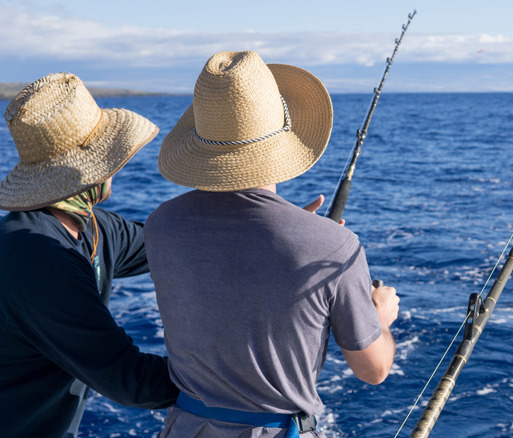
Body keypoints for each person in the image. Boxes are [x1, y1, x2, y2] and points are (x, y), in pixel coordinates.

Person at [143, 50, 400, 437]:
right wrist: (378, 320)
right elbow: (373, 370)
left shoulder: (161, 224)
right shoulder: (334, 245)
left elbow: (231, 258)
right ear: (283, 133)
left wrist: (290, 233)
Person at [0, 73, 180, 437]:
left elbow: (173, 247)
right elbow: (130, 381)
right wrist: (231, 386)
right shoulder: (37, 259)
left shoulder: (89, 224)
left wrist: (280, 236)